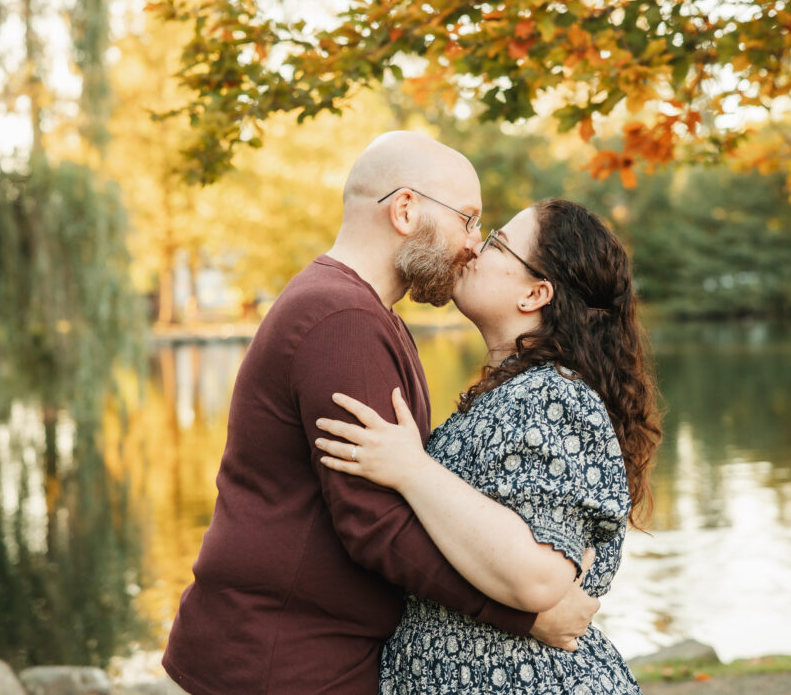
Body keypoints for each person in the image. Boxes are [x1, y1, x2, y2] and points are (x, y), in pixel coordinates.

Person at [162, 134, 601, 695]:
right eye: (467, 219)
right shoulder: (339, 317)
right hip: (281, 658)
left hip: (307, 651)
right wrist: (525, 615)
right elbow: (374, 524)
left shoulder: (364, 311)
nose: (473, 244)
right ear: (405, 209)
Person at [315, 199, 662, 694]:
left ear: (535, 294)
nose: (475, 246)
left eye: (497, 242)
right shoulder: (514, 393)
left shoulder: (554, 396)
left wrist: (411, 469)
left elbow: (538, 580)